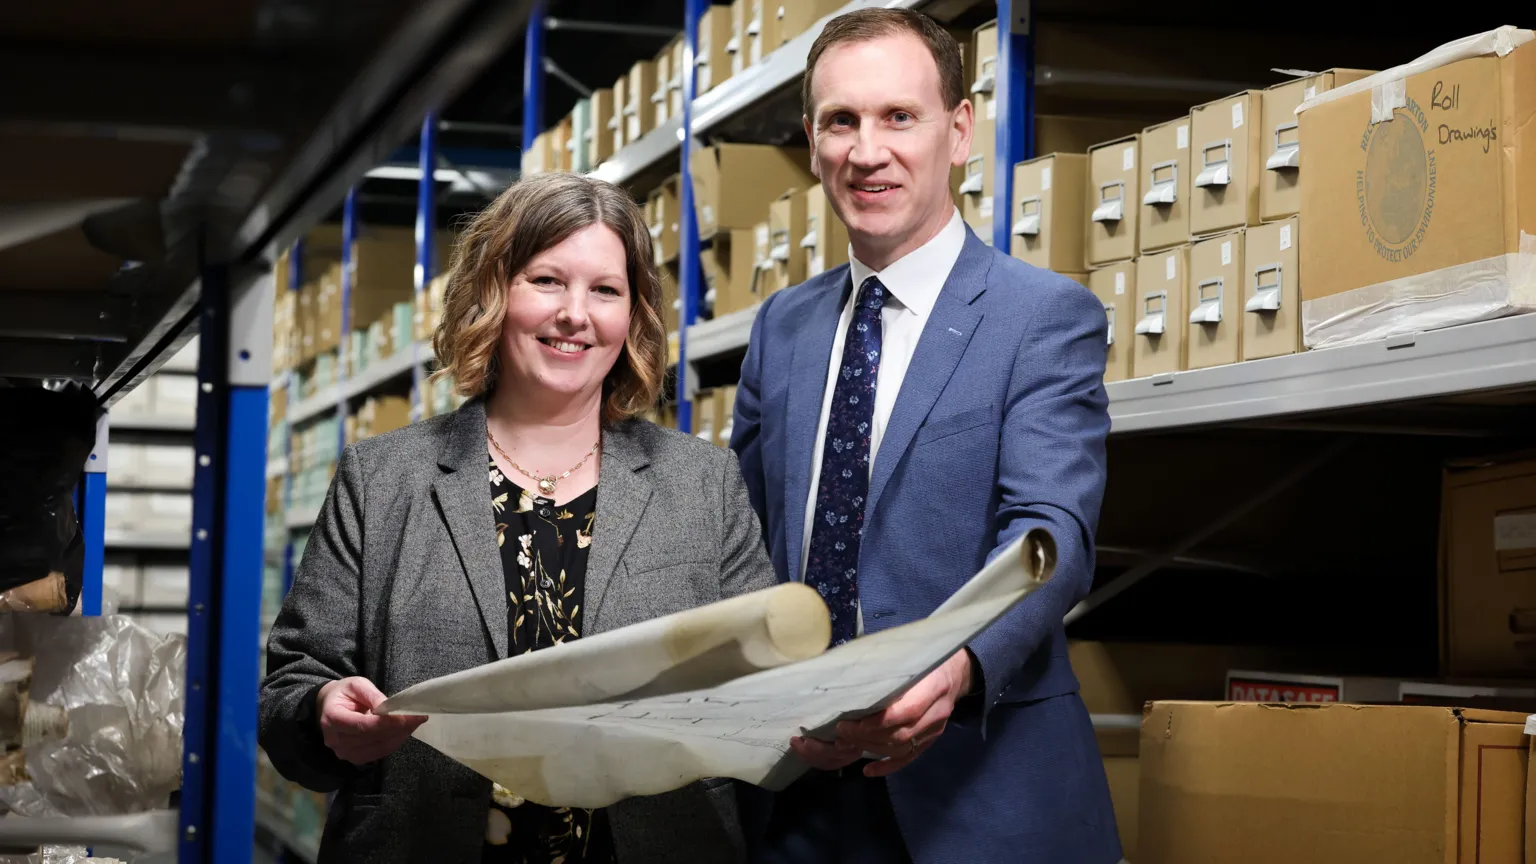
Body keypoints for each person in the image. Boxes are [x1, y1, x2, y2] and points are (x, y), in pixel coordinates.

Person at [259, 172, 776, 864]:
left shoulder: (701, 483)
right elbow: (291, 683)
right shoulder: (384, 479)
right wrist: (324, 712)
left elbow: (763, 685)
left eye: (605, 290)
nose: (575, 314)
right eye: (547, 281)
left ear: (635, 313)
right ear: (494, 292)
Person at [730, 8, 1120, 863]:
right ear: (812, 139)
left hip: (975, 788)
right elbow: (743, 543)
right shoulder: (783, 327)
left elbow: (1051, 535)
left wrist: (956, 667)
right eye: (841, 121)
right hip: (795, 787)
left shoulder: (1041, 319)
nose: (867, 151)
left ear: (960, 128)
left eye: (898, 116)